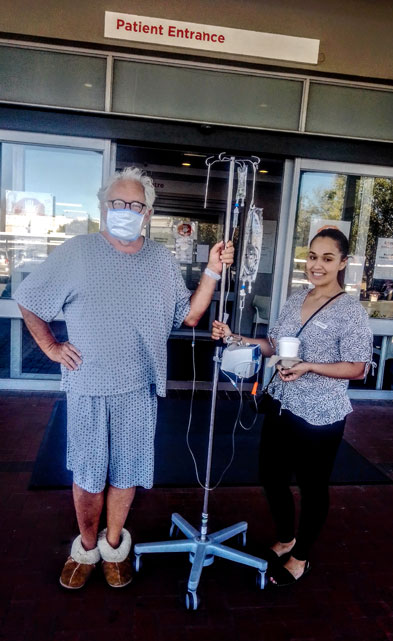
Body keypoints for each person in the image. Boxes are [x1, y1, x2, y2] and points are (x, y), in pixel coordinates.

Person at [15, 167, 234, 590]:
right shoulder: (78, 252)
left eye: (135, 205)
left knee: (127, 471)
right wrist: (51, 347)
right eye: (117, 203)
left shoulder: (161, 261)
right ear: (103, 207)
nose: (126, 211)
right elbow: (29, 298)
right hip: (88, 386)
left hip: (138, 387)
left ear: (148, 213)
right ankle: (86, 547)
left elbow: (189, 315)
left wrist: (211, 269)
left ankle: (114, 546)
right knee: (88, 474)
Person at [212, 228, 373, 586]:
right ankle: (286, 539)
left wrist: (308, 366)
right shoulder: (295, 297)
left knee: (312, 487)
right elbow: (273, 345)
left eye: (327, 258)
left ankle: (300, 558)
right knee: (271, 477)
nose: (317, 265)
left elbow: (358, 368)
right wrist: (235, 337)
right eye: (312, 257)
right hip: (282, 405)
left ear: (343, 263)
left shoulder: (350, 311)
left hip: (321, 414)